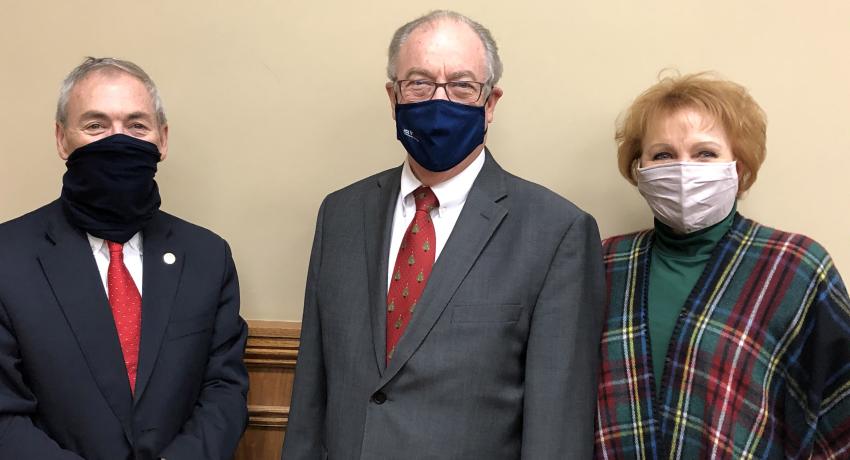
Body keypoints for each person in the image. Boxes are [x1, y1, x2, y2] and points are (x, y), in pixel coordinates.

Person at [282, 10, 605, 460]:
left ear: (490, 103)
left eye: (461, 85)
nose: (439, 99)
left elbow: (557, 428)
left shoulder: (557, 232)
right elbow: (311, 393)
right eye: (418, 83)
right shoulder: (339, 214)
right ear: (393, 97)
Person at [0, 57, 249, 459]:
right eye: (95, 125)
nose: (118, 141)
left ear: (162, 140)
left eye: (136, 126)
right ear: (62, 139)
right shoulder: (7, 258)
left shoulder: (206, 256)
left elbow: (224, 391)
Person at [594, 72, 850, 458]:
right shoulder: (603, 264)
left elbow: (839, 405)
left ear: (739, 166)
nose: (683, 169)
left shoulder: (793, 267)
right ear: (640, 170)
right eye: (663, 154)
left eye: (705, 153)